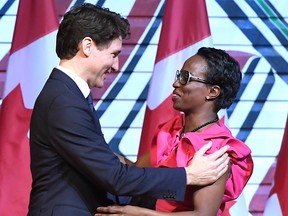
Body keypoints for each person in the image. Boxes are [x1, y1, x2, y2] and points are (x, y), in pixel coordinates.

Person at [27, 4, 230, 216]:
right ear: (87, 46)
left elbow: (104, 165)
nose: (115, 66)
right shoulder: (64, 101)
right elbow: (115, 178)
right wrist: (189, 176)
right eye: (114, 54)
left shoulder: (69, 95)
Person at [95, 47, 254, 216]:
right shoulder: (173, 132)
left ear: (212, 92)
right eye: (179, 75)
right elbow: (137, 171)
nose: (176, 83)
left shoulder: (215, 150)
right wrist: (90, 149)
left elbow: (202, 214)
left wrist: (139, 214)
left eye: (185, 78)